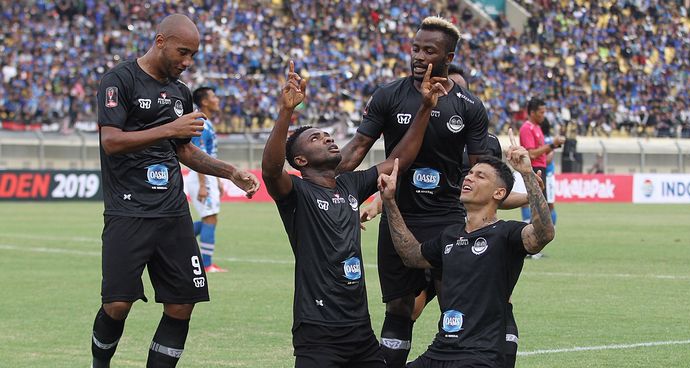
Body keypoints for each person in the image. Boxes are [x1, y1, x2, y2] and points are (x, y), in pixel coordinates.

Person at [91, 14, 260, 368]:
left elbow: (184, 150)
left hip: (172, 210)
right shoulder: (118, 80)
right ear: (160, 41)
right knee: (117, 305)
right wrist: (169, 128)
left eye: (193, 56)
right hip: (128, 210)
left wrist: (230, 172)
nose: (187, 62)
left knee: (182, 303)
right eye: (182, 52)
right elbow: (112, 142)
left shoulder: (179, 93)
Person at [262, 61, 447, 368]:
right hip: (318, 330)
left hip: (360, 331)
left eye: (327, 135)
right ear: (300, 160)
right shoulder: (297, 193)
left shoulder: (350, 184)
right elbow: (270, 169)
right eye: (316, 139)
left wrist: (425, 108)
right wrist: (286, 112)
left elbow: (399, 159)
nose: (328, 138)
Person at [337, 17, 489, 367]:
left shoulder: (469, 106)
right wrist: (321, 177)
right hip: (397, 212)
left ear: (448, 58)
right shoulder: (389, 95)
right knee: (400, 305)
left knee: (453, 299)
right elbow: (358, 147)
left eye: (429, 51)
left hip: (446, 217)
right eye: (415, 48)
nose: (419, 56)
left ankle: (453, 359)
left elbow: (482, 168)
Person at [379, 131, 556, 368]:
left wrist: (526, 173)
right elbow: (411, 255)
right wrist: (390, 202)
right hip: (439, 351)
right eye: (470, 173)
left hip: (480, 355)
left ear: (499, 193)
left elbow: (544, 234)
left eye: (480, 176)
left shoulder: (507, 234)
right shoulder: (449, 236)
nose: (469, 178)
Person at [186, 87, 227, 273]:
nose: (217, 99)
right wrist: (203, 184)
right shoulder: (200, 122)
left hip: (207, 176)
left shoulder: (206, 122)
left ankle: (177, 237)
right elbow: (199, 156)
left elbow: (210, 155)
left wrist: (217, 179)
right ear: (204, 102)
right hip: (200, 176)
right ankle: (206, 264)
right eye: (213, 97)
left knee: (211, 218)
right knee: (209, 218)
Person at [519, 98, 564, 229]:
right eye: (541, 112)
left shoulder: (537, 128)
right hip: (534, 169)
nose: (543, 116)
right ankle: (530, 237)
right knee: (538, 205)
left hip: (541, 168)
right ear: (532, 113)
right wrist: (552, 145)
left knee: (541, 205)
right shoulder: (527, 128)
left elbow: (542, 152)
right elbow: (531, 154)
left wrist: (554, 146)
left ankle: (536, 235)